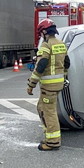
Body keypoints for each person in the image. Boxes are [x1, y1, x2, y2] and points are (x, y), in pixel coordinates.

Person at [27, 19, 69, 151]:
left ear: (44, 31)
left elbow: (41, 65)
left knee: (48, 112)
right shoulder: (61, 43)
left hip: (48, 86)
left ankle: (52, 141)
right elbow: (67, 63)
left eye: (41, 33)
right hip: (58, 84)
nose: (41, 35)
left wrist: (31, 84)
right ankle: (49, 135)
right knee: (42, 107)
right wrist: (63, 76)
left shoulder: (46, 45)